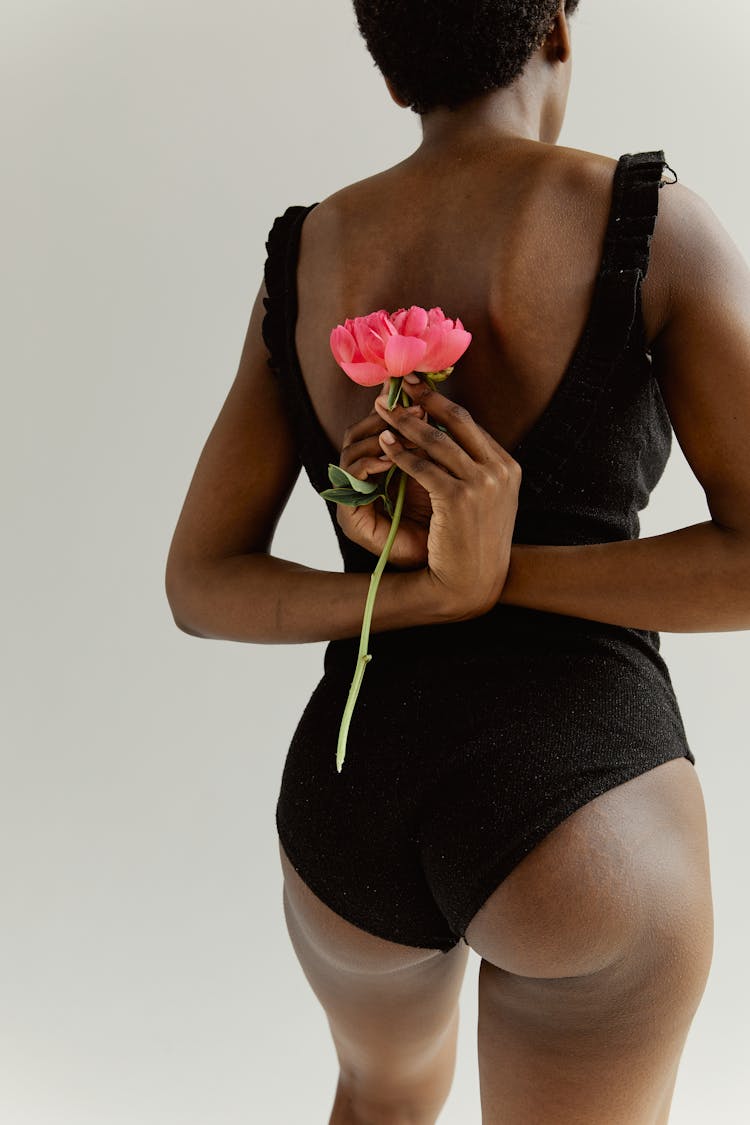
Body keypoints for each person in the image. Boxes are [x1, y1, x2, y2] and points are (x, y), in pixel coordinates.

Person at [165, 2, 750, 1121]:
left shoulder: (308, 249)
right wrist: (506, 578)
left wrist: (443, 594)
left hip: (348, 806)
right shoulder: (648, 221)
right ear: (561, 27)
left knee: (377, 1102)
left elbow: (200, 583)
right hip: (583, 803)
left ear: (392, 75)